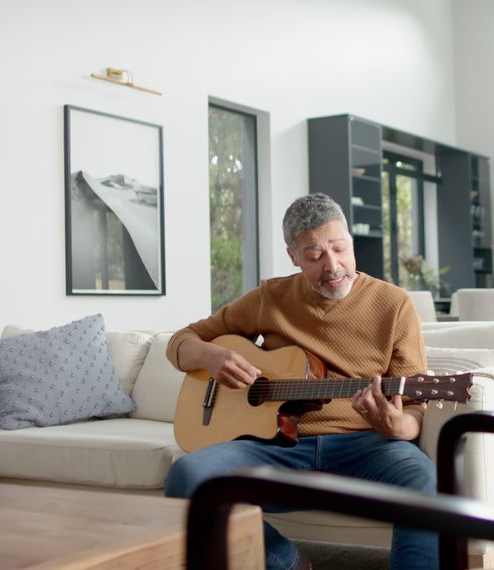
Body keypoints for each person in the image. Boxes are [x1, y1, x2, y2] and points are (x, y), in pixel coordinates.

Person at [164, 193, 436, 570]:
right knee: (187, 474)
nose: (333, 266)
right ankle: (287, 562)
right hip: (276, 445)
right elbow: (180, 343)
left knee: (423, 478)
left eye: (340, 249)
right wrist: (212, 356)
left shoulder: (394, 304)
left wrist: (399, 426)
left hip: (365, 444)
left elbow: (415, 403)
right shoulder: (269, 298)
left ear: (350, 243)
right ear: (293, 256)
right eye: (314, 255)